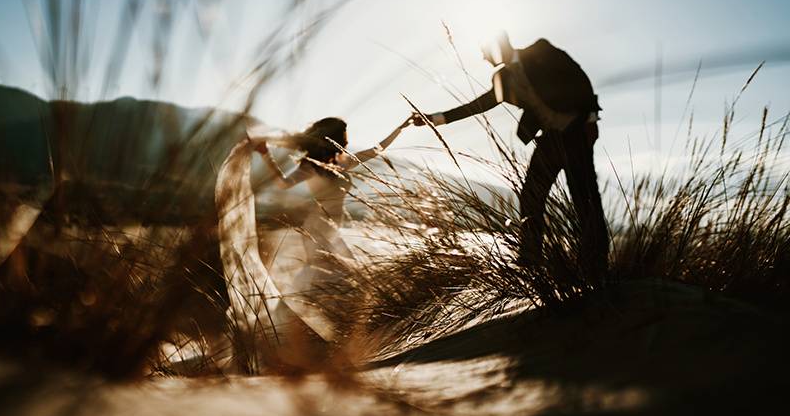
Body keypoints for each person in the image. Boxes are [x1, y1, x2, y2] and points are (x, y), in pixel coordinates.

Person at [412, 32, 608, 282]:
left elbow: (578, 76)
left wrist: (591, 117)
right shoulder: (502, 77)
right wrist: (436, 118)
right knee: (531, 195)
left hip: (576, 132)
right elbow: (479, 104)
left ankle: (596, 265)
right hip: (550, 139)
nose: (483, 57)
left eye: (485, 51)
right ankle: (531, 258)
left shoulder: (541, 50)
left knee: (585, 198)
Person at [250, 116, 412, 281]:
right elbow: (283, 184)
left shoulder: (344, 162)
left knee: (345, 276)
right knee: (332, 277)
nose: (346, 141)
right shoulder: (310, 166)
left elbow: (377, 149)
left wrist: (400, 128)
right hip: (316, 229)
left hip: (332, 229)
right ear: (334, 139)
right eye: (343, 136)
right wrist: (265, 154)